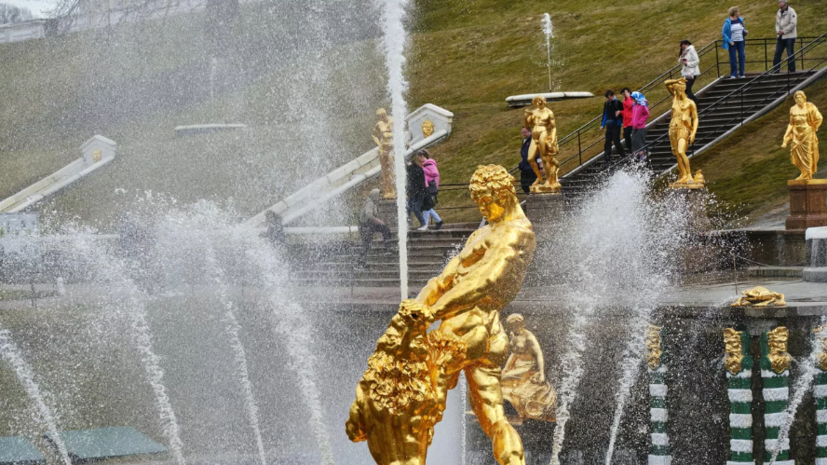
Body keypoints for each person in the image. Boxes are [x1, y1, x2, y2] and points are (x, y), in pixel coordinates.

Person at [501, 314, 557, 423]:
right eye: (511, 326)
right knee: (502, 377)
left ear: (521, 324)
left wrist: (541, 374)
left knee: (502, 379)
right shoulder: (512, 334)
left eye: (516, 325)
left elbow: (539, 354)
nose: (513, 328)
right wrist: (506, 367)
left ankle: (521, 411)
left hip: (527, 366)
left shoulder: (529, 337)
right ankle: (511, 411)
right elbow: (514, 353)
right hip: (517, 366)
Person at [782, 91, 823, 180]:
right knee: (796, 154)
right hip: (796, 134)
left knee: (807, 153)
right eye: (796, 98)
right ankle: (803, 172)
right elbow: (791, 124)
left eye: (800, 97)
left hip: (807, 133)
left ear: (804, 98)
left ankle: (808, 174)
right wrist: (786, 135)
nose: (798, 99)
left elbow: (819, 118)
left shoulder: (810, 107)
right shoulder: (793, 109)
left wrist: (815, 127)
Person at [357, 188, 393, 267]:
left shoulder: (374, 203)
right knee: (366, 244)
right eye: (379, 195)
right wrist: (378, 221)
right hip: (365, 226)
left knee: (385, 229)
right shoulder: (369, 203)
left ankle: (388, 248)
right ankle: (360, 262)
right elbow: (368, 214)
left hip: (370, 225)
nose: (380, 197)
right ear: (375, 195)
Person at [420, 150, 444, 230]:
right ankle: (438, 221)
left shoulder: (429, 164)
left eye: (419, 158)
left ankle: (425, 224)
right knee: (427, 206)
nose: (419, 160)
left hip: (431, 189)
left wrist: (423, 169)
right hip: (429, 188)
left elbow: (435, 173)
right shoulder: (426, 164)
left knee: (426, 207)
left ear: (422, 156)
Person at [601, 89, 625, 167]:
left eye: (608, 98)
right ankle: (607, 158)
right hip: (609, 124)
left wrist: (620, 122)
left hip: (616, 124)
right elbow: (605, 114)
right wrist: (602, 124)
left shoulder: (618, 103)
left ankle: (623, 155)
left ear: (612, 96)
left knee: (616, 141)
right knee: (607, 142)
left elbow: (623, 113)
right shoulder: (606, 104)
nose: (608, 99)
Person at [722, 7, 748, 79]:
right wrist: (729, 41)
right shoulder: (728, 22)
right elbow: (724, 33)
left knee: (742, 56)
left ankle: (742, 73)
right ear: (735, 13)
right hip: (733, 43)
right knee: (733, 58)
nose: (739, 13)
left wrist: (745, 32)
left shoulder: (740, 20)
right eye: (738, 12)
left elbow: (742, 29)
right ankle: (733, 74)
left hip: (741, 41)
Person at [406, 151, 429, 231]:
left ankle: (424, 224)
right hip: (413, 193)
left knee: (416, 208)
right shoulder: (413, 169)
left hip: (419, 193)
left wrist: (409, 167)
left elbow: (415, 179)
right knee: (407, 207)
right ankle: (407, 224)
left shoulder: (416, 170)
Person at [774, 1, 798, 74]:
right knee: (777, 52)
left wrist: (784, 31)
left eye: (782, 7)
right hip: (781, 36)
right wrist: (778, 31)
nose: (780, 9)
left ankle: (792, 70)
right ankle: (776, 70)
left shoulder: (791, 11)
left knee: (790, 53)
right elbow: (777, 23)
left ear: (785, 5)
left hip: (790, 36)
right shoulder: (779, 12)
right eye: (779, 7)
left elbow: (793, 24)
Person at [630, 91, 650, 160]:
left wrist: (639, 122)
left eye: (633, 98)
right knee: (634, 141)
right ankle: (635, 157)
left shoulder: (642, 104)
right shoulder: (634, 105)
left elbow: (647, 114)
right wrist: (632, 122)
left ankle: (642, 157)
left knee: (640, 142)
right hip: (634, 127)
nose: (633, 99)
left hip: (640, 127)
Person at [621, 87, 634, 153]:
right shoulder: (624, 101)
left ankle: (632, 148)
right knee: (625, 135)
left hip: (631, 121)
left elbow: (630, 105)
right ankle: (630, 148)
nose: (623, 95)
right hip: (625, 122)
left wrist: (628, 97)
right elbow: (624, 110)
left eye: (624, 93)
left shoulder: (631, 99)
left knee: (627, 134)